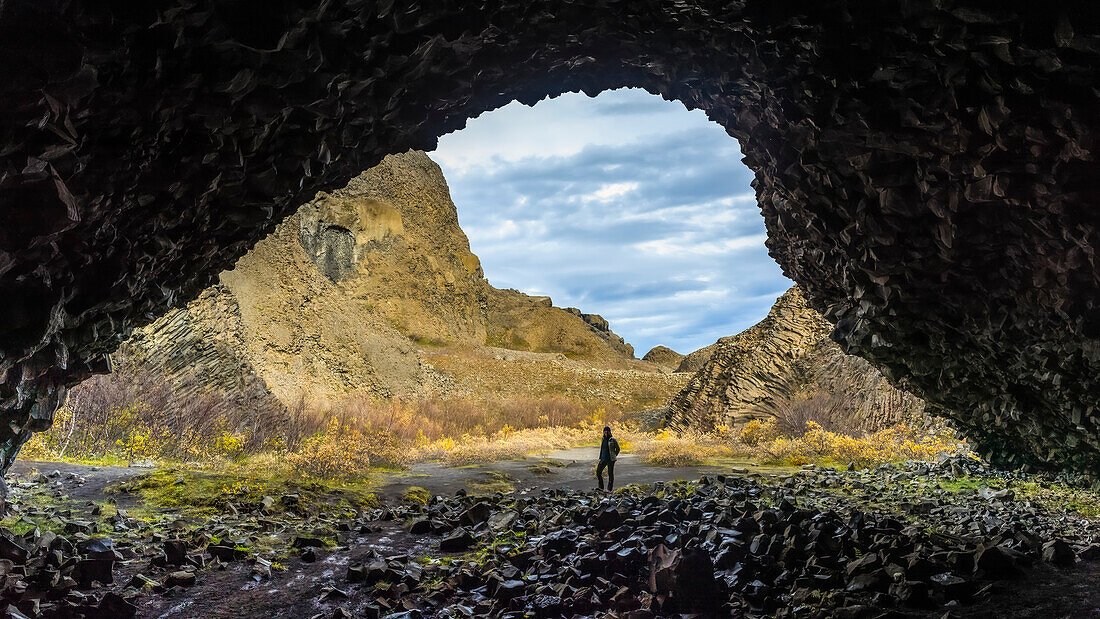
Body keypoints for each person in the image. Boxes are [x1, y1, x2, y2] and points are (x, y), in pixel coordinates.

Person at [596, 425, 620, 491]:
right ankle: (601, 487)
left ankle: (609, 489)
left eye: (607, 432)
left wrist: (614, 456)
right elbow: (602, 449)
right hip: (603, 459)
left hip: (610, 460)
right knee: (598, 472)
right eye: (605, 432)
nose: (606, 433)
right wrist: (600, 457)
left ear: (610, 432)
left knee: (610, 474)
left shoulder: (613, 439)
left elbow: (618, 449)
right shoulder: (603, 439)